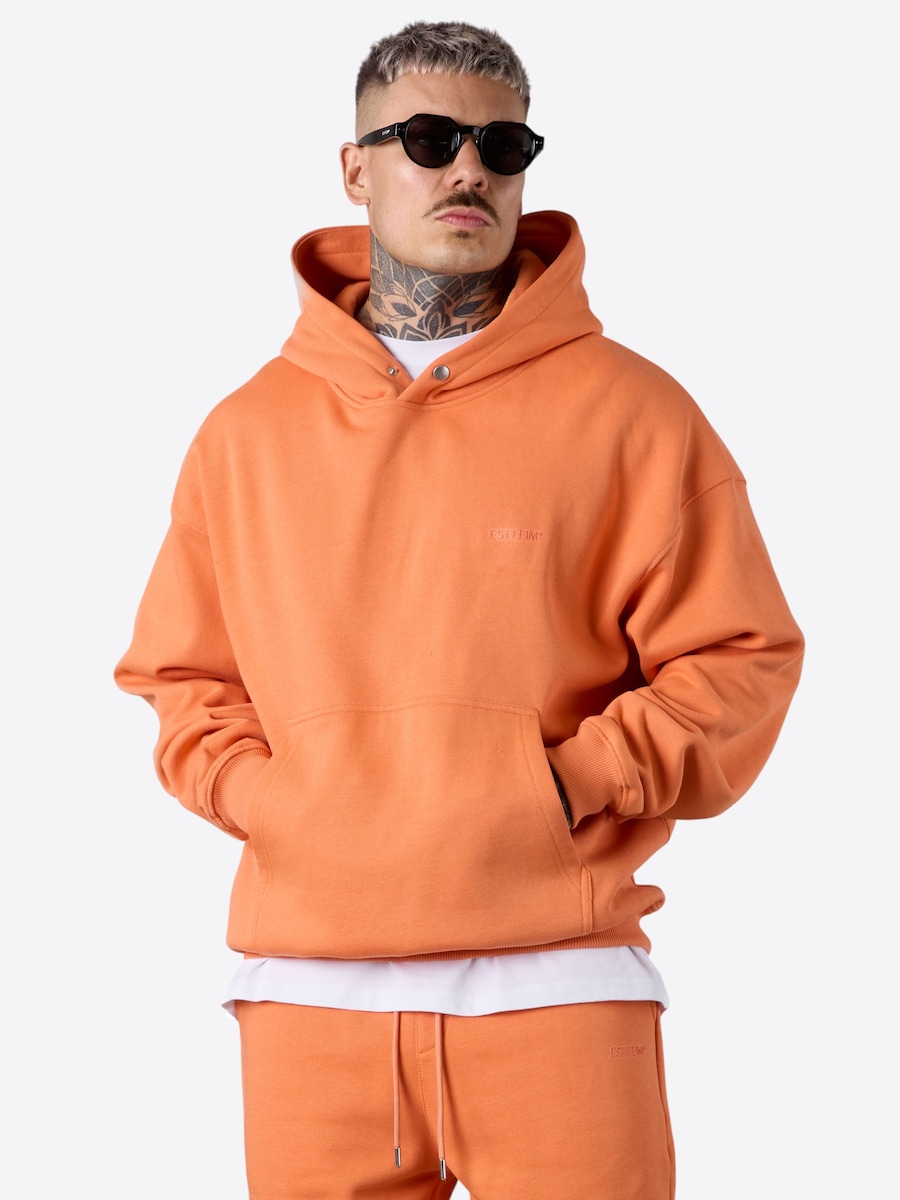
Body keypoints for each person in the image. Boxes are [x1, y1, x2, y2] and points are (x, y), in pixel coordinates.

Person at [115, 20, 804, 1199]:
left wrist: (568, 784)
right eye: (429, 140)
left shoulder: (636, 413)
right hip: (309, 996)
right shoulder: (246, 434)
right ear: (355, 168)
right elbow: (185, 682)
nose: (468, 169)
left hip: (559, 983)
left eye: (502, 145)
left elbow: (740, 659)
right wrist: (273, 801)